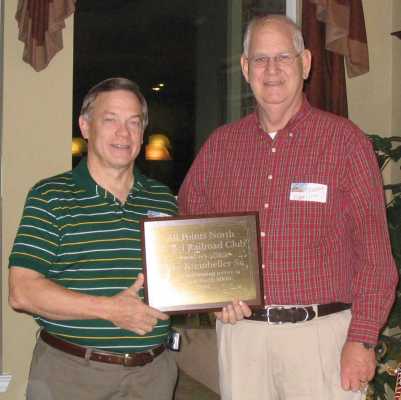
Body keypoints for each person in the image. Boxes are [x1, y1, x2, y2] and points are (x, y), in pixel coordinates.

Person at [178, 15, 398, 400]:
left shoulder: (344, 143)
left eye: (284, 56)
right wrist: (211, 296)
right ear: (246, 69)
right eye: (260, 59)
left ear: (306, 62)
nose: (272, 70)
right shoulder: (221, 146)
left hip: (322, 338)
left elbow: (376, 256)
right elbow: (187, 230)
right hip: (242, 336)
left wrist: (362, 340)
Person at [9, 77, 178, 400]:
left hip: (153, 376)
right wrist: (110, 309)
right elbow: (22, 291)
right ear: (86, 126)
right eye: (110, 120)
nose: (123, 133)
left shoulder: (163, 200)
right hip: (71, 376)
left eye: (133, 122)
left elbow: (179, 282)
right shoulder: (50, 196)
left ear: (142, 132)